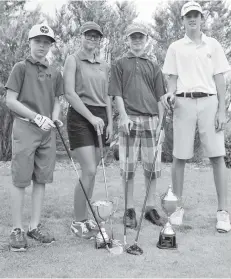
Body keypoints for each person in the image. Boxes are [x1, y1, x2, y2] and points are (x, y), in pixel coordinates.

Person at [161, 1, 231, 232]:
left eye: (196, 15)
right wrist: (170, 94)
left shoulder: (213, 45)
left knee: (217, 156)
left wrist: (222, 110)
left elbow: (220, 79)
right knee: (179, 157)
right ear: (182, 20)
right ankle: (177, 207)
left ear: (202, 18)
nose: (192, 19)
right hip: (183, 102)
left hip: (210, 102)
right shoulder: (175, 47)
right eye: (188, 15)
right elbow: (172, 78)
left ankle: (222, 212)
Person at [5, 23, 63, 252]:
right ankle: (17, 229)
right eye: (38, 41)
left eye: (46, 42)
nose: (42, 46)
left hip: (47, 131)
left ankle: (34, 226)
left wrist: (55, 118)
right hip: (25, 127)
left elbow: (57, 100)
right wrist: (36, 117)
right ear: (30, 42)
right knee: (20, 179)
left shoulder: (54, 71)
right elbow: (10, 100)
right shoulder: (20, 68)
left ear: (50, 46)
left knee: (41, 179)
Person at [109, 23, 166, 229]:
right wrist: (123, 116)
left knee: (152, 167)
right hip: (129, 119)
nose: (137, 41)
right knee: (129, 168)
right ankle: (129, 209)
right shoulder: (120, 64)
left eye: (140, 37)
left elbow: (160, 97)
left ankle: (150, 208)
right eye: (133, 37)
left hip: (152, 120)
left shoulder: (154, 66)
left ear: (146, 40)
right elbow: (116, 93)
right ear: (128, 40)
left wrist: (161, 124)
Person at [63, 21, 113, 239]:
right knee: (89, 170)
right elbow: (69, 94)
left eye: (96, 37)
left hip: (101, 117)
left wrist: (109, 121)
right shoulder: (73, 59)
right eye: (88, 36)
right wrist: (91, 117)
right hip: (81, 116)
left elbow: (107, 97)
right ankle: (77, 220)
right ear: (81, 36)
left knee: (91, 173)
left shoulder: (104, 64)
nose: (92, 39)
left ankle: (87, 216)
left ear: (99, 40)